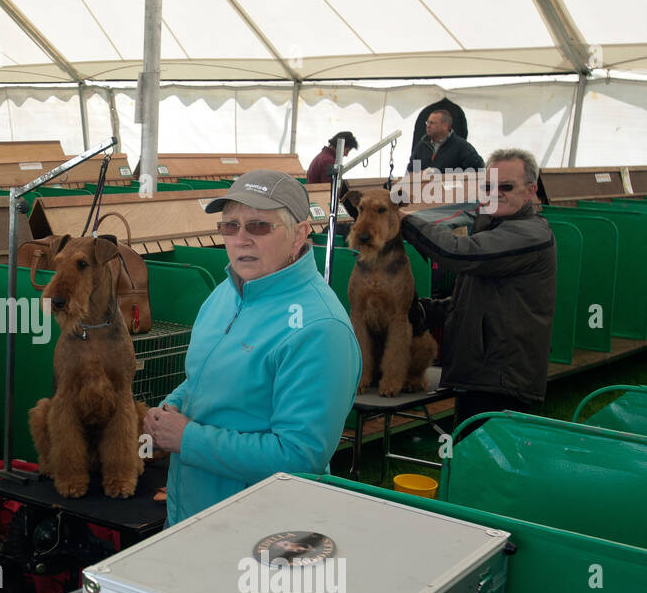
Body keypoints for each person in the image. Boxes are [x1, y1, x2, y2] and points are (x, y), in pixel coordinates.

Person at [144, 170, 361, 527]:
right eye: (230, 226)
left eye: (259, 226)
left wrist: (188, 439)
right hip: (192, 517)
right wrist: (174, 405)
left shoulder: (320, 328)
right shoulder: (227, 291)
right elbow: (204, 376)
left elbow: (298, 457)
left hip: (262, 535)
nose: (241, 239)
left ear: (299, 235)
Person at [401, 148, 555, 430]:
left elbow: (457, 253)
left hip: (500, 380)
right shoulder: (494, 226)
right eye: (488, 186)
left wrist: (402, 221)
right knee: (466, 459)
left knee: (485, 466)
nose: (495, 193)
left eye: (506, 186)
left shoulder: (529, 234)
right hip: (483, 374)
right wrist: (427, 311)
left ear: (531, 190)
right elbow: (480, 302)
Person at [406, 109, 482, 174]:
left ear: (445, 126)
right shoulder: (421, 147)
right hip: (424, 190)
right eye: (427, 122)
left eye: (432, 123)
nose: (428, 125)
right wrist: (422, 174)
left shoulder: (462, 147)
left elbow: (478, 169)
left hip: (452, 190)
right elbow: (412, 172)